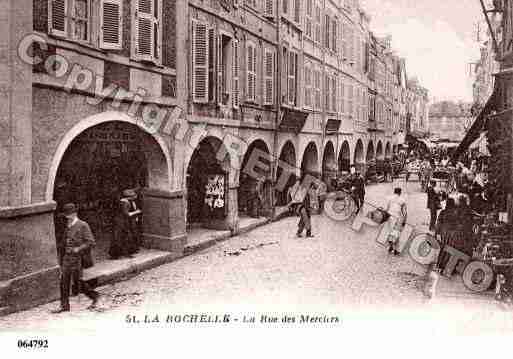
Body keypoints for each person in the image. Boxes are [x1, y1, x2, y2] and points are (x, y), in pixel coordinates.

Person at [52, 203, 99, 313]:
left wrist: (78, 248)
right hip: (67, 258)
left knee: (78, 282)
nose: (67, 218)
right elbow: (63, 243)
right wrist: (60, 258)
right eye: (66, 216)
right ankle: (64, 306)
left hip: (78, 258)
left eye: (69, 215)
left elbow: (91, 242)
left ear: (74, 214)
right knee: (63, 281)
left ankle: (94, 296)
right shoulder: (67, 226)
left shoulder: (83, 225)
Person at [435, 197, 458, 272]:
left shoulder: (443, 212)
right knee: (449, 251)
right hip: (452, 235)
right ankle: (445, 266)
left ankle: (439, 266)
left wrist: (437, 233)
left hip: (444, 234)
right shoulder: (456, 213)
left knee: (442, 250)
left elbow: (438, 223)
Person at [384, 187, 407, 255]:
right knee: (397, 234)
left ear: (394, 192)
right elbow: (404, 212)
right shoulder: (402, 200)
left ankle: (391, 247)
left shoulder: (389, 198)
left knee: (390, 233)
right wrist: (404, 221)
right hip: (398, 218)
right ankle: (396, 249)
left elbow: (386, 209)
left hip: (390, 217)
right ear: (400, 193)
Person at [121, 189, 143, 254]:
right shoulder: (125, 202)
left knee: (135, 233)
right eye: (133, 196)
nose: (135, 196)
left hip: (134, 220)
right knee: (130, 235)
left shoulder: (133, 201)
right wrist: (136, 212)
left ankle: (135, 248)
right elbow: (126, 213)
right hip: (128, 221)